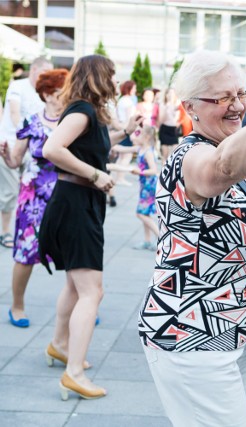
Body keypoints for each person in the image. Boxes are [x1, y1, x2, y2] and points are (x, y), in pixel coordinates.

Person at [137, 50, 246, 426]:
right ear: (190, 107)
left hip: (232, 334)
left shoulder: (222, 149)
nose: (236, 106)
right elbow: (221, 170)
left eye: (242, 94)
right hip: (192, 336)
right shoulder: (191, 156)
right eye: (222, 98)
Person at [39, 55, 143, 400]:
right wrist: (96, 174)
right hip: (75, 203)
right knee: (91, 291)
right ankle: (74, 372)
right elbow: (52, 148)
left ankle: (59, 345)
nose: (115, 82)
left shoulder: (87, 113)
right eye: (112, 76)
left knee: (75, 283)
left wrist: (126, 132)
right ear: (100, 77)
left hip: (77, 202)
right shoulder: (82, 110)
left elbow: (93, 148)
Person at [0, 69, 67, 328]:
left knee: (73, 252)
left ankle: (81, 301)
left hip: (64, 192)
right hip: (33, 198)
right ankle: (17, 305)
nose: (66, 98)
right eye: (62, 93)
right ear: (48, 95)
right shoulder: (31, 121)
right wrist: (7, 157)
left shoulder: (73, 121)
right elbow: (17, 160)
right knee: (26, 251)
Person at [0, 56, 52, 249]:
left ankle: (29, 230)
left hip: (32, 149)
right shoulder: (18, 86)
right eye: (44, 72)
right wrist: (26, 133)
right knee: (10, 191)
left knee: (31, 189)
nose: (47, 76)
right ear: (34, 70)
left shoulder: (44, 92)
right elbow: (14, 114)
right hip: (10, 144)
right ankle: (5, 232)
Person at [111, 125, 159, 250]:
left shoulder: (148, 152)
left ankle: (162, 238)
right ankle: (147, 241)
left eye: (139, 133)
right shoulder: (139, 148)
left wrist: (140, 172)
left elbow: (154, 170)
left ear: (147, 137)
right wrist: (108, 141)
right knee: (145, 214)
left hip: (150, 186)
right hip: (145, 185)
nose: (135, 136)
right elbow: (121, 148)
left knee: (141, 214)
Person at [158, 88, 181, 165]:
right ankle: (163, 171)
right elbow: (161, 119)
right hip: (165, 128)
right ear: (166, 95)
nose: (170, 95)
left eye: (172, 93)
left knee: (175, 151)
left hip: (173, 129)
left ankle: (171, 169)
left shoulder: (177, 104)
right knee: (165, 154)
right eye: (169, 93)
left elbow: (178, 118)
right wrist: (167, 107)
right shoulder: (163, 104)